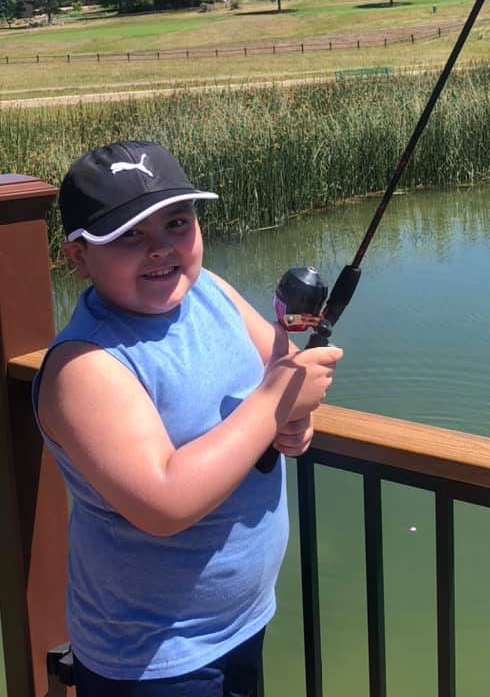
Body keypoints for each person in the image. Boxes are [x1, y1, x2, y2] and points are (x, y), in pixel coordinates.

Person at [32, 139, 342, 696]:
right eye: (130, 235)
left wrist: (292, 421)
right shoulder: (84, 366)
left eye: (177, 223)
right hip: (154, 658)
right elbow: (163, 502)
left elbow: (277, 370)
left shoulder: (209, 292)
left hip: (242, 624)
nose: (161, 249)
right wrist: (273, 406)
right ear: (77, 256)